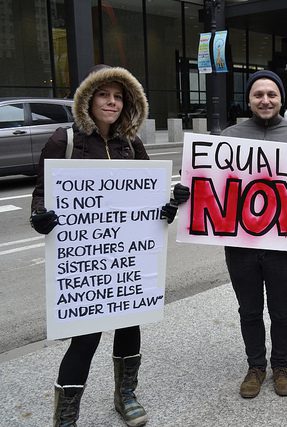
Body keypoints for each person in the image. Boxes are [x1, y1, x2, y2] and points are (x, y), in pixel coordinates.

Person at [30, 64, 185, 427]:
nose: (112, 102)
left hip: (127, 262)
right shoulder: (64, 141)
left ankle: (125, 394)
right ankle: (66, 414)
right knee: (84, 340)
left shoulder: (132, 145)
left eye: (118, 96)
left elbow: (150, 201)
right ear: (88, 98)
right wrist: (41, 218)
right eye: (104, 94)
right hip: (89, 264)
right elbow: (42, 195)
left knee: (131, 327)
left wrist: (170, 206)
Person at [170, 70, 287, 399]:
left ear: (282, 98)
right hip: (240, 246)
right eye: (258, 95)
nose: (265, 100)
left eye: (272, 94)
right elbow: (209, 182)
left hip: (283, 245)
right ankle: (256, 367)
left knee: (282, 310)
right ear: (249, 99)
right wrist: (187, 195)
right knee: (249, 310)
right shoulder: (228, 136)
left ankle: (281, 366)